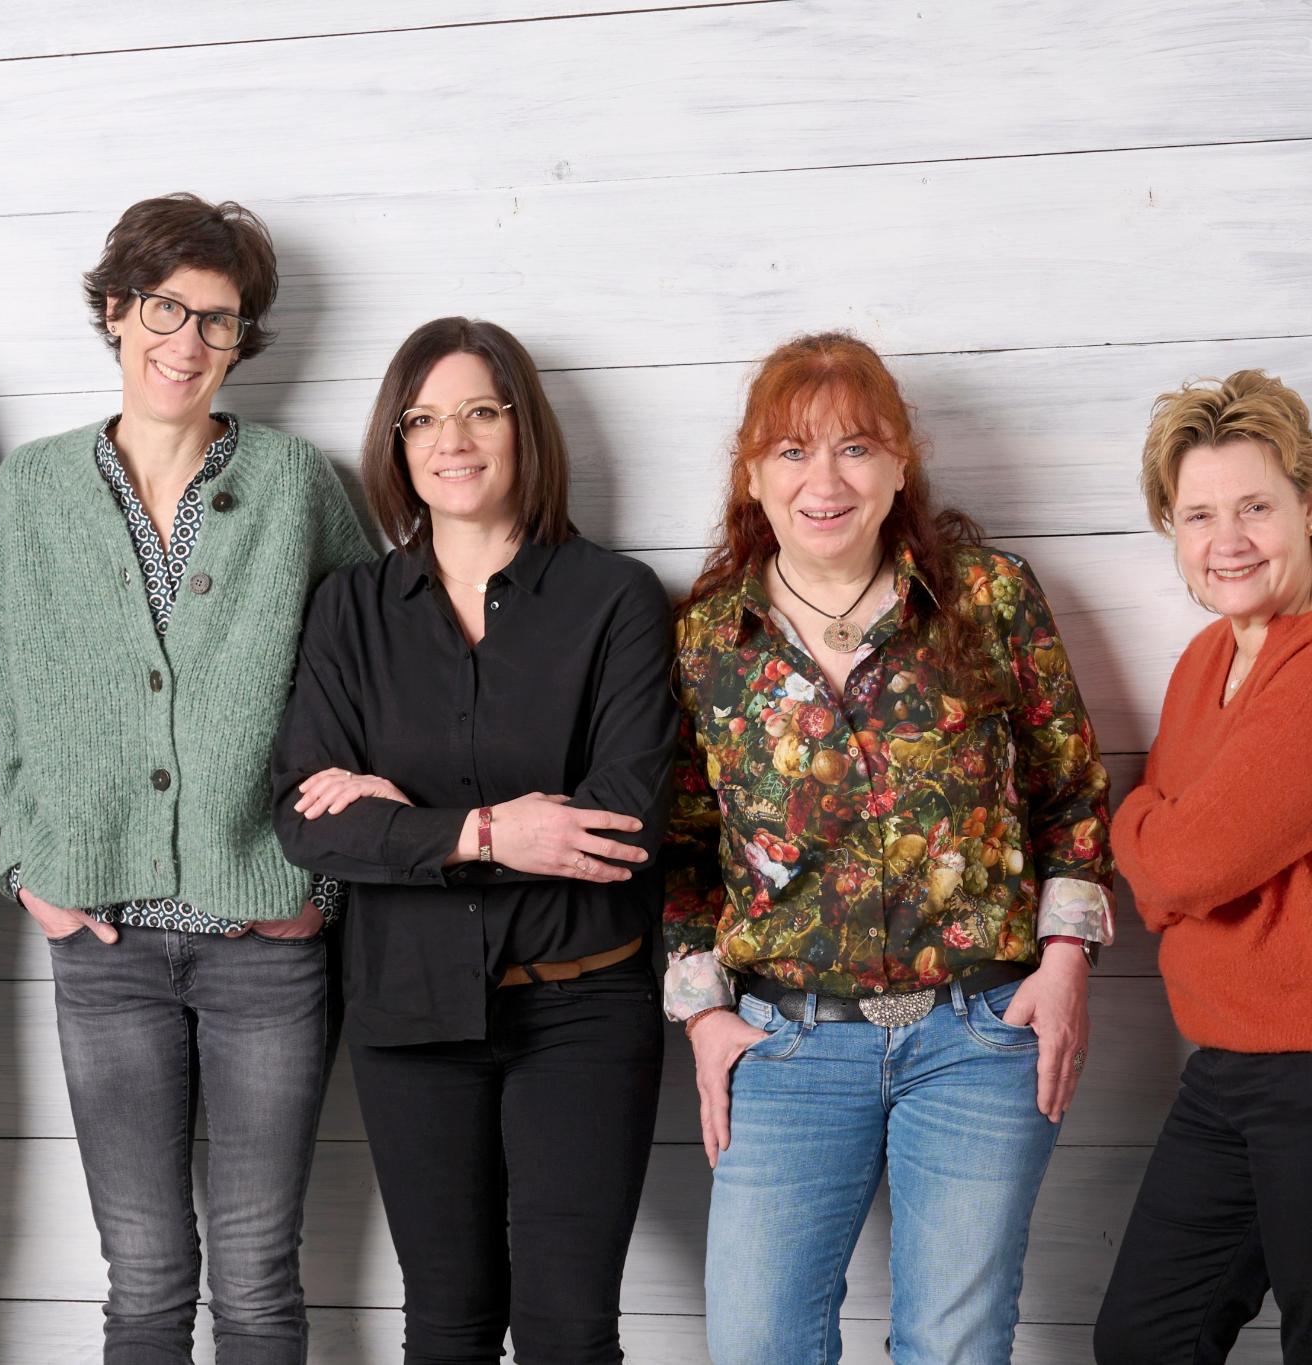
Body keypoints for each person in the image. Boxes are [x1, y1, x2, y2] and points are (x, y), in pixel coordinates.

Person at [662, 331, 1115, 1364]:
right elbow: (681, 849)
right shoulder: (705, 640)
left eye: (855, 448)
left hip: (979, 1038)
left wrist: (1062, 964)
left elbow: (1070, 792)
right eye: (790, 451)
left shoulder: (987, 597)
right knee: (753, 1343)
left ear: (900, 464)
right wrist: (701, 1021)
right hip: (783, 1046)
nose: (823, 480)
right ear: (751, 477)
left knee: (952, 1347)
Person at [0, 192, 370, 1364]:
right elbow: (3, 690)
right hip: (100, 941)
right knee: (143, 1278)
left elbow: (370, 688)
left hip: (265, 938)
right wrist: (24, 870)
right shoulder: (34, 487)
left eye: (219, 319)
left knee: (257, 1275)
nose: (187, 342)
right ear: (114, 311)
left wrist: (328, 888)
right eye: (164, 308)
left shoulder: (299, 485)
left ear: (243, 339)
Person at [271, 316, 674, 1363]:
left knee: (566, 1331)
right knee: (443, 1329)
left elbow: (622, 820)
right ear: (397, 447)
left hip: (582, 1003)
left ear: (522, 427)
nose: (451, 439)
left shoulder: (614, 599)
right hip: (409, 1014)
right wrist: (494, 828)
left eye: (479, 411)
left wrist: (402, 819)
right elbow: (308, 824)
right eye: (422, 419)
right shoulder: (348, 610)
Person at [1093, 370, 1312, 1365]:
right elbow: (1177, 859)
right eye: (1196, 515)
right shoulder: (1199, 663)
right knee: (1143, 1341)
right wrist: (1158, 838)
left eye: (1254, 507)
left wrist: (1136, 821)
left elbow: (1176, 869)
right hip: (1223, 1068)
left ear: (1305, 508)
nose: (1226, 541)